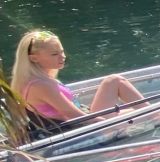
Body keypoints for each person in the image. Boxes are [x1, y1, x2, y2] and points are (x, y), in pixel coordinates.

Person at [11, 30, 147, 129]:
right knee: (115, 81)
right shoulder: (41, 85)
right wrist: (108, 125)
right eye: (54, 54)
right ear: (34, 58)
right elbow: (72, 114)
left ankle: (157, 115)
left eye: (62, 52)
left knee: (136, 110)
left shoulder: (36, 80)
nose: (62, 57)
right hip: (79, 128)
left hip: (83, 119)